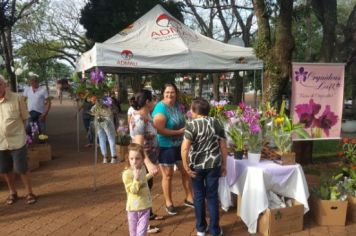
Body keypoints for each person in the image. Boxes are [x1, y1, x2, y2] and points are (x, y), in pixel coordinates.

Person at [181, 98, 227, 236]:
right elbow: (223, 147)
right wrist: (225, 165)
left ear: (195, 111)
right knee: (212, 197)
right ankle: (215, 230)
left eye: (191, 109)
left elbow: (185, 149)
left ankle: (201, 229)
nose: (190, 112)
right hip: (214, 165)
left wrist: (186, 166)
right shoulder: (217, 122)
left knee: (199, 196)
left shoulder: (191, 125)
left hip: (196, 166)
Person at [152, 83, 193, 215]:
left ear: (176, 94)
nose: (170, 95)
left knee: (186, 171)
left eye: (172, 92)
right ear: (163, 93)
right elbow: (159, 130)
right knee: (168, 175)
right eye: (167, 92)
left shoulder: (176, 106)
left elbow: (183, 120)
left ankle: (189, 197)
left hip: (180, 145)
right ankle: (169, 202)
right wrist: (178, 132)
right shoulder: (160, 108)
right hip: (165, 146)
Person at [0, 75, 37, 205]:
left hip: (17, 140)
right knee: (5, 169)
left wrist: (28, 134)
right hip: (1, 143)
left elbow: (26, 118)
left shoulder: (17, 98)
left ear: (4, 85)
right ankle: (12, 192)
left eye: (0, 84)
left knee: (21, 168)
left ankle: (29, 192)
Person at [129, 89, 163, 229]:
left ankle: (148, 214)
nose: (155, 102)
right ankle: (143, 225)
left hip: (149, 160)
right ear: (147, 102)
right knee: (142, 192)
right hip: (143, 163)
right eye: (153, 99)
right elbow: (138, 145)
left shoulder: (145, 115)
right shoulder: (140, 119)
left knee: (147, 189)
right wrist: (148, 163)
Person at [122, 143, 153, 236]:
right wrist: (136, 179)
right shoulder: (126, 174)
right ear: (128, 158)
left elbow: (143, 180)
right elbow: (133, 190)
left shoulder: (143, 168)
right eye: (131, 159)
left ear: (143, 159)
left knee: (141, 233)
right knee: (133, 233)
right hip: (133, 209)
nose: (134, 161)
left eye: (137, 158)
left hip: (145, 206)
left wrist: (151, 174)